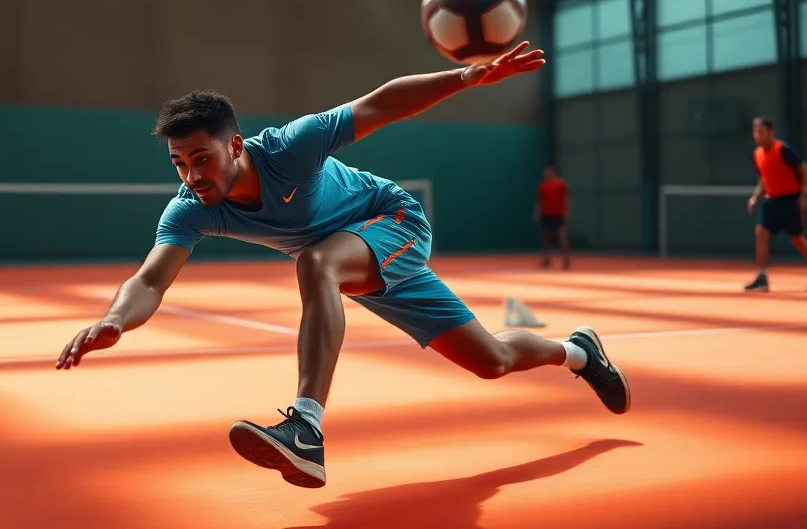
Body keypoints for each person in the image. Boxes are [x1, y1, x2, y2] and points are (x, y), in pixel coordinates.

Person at [54, 42, 631, 490]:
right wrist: (116, 321)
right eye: (180, 163)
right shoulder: (191, 209)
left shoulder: (290, 147)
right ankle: (580, 351)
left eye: (201, 158)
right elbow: (150, 278)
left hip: (394, 223)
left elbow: (382, 103)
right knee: (493, 360)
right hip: (349, 260)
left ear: (235, 147)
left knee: (316, 262)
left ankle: (305, 427)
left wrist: (468, 76)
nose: (192, 176)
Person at [745, 116, 807, 292]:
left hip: (790, 200)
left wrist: (802, 195)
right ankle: (762, 276)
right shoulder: (757, 155)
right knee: (760, 232)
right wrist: (755, 197)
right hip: (771, 200)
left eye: (761, 131)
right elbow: (763, 178)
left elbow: (804, 169)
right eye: (755, 131)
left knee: (797, 240)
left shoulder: (783, 150)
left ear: (770, 132)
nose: (757, 135)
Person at [533, 165, 570, 269]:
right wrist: (537, 212)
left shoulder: (561, 184)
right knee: (545, 238)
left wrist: (566, 212)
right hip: (547, 215)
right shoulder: (542, 186)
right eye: (545, 173)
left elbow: (567, 198)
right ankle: (547, 260)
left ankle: (566, 261)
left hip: (558, 214)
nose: (546, 174)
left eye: (548, 172)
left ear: (553, 173)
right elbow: (539, 200)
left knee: (562, 236)